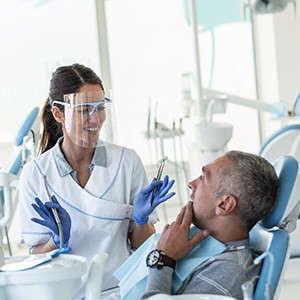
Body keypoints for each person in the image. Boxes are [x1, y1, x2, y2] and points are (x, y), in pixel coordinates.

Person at [19, 63, 175, 299]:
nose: (95, 119)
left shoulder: (126, 161)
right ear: (58, 113)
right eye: (84, 110)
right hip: (68, 293)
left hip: (123, 290)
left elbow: (142, 245)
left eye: (100, 108)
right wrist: (56, 241)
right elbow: (36, 257)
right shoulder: (36, 173)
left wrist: (141, 220)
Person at [113, 150, 278, 300]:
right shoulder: (200, 240)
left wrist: (164, 259)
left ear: (224, 205)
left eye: (204, 178)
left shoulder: (227, 272)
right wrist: (141, 222)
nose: (191, 183)